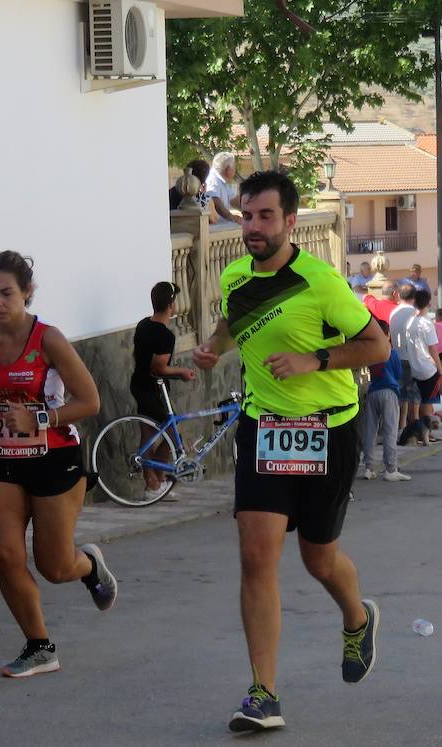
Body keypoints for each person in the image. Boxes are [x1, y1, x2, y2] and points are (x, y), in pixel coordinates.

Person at [192, 171, 388, 733]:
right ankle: (263, 693)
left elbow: (377, 343)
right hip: (264, 426)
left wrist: (315, 360)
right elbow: (236, 320)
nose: (253, 226)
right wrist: (212, 347)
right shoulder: (233, 275)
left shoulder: (320, 282)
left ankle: (356, 617)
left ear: (290, 221)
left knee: (317, 556)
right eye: (247, 215)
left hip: (329, 429)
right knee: (256, 554)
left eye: (264, 217)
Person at [0, 251, 116, 678]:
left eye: (6, 293)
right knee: (4, 554)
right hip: (1, 456)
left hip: (54, 456)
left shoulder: (49, 340)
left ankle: (89, 564)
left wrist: (40, 417)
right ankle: (39, 646)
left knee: (55, 566)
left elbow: (89, 401)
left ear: (27, 292)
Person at [130, 281, 195, 491]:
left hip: (139, 384)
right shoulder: (165, 335)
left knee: (151, 433)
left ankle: (157, 482)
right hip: (152, 388)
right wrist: (181, 372)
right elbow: (158, 368)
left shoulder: (143, 325)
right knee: (169, 433)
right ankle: (153, 484)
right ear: (172, 304)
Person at [361, 320, 410, 481]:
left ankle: (368, 467)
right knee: (390, 430)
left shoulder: (371, 353)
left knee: (370, 430)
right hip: (389, 392)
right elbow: (397, 373)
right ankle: (390, 468)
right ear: (388, 334)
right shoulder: (391, 352)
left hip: (373, 392)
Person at [400, 289, 442, 445]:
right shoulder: (426, 324)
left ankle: (418, 432)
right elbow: (433, 349)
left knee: (415, 403)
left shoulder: (409, 322)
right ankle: (425, 434)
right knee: (427, 403)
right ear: (429, 303)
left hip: (414, 368)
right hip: (427, 368)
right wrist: (440, 369)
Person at [390, 284, 420, 437]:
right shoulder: (415, 313)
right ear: (414, 297)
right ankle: (415, 424)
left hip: (397, 356)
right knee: (415, 393)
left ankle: (402, 424)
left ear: (399, 296)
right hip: (413, 357)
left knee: (401, 393)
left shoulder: (393, 312)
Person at [205, 152, 242, 225]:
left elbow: (235, 200)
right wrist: (230, 216)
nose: (235, 170)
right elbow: (214, 200)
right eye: (234, 167)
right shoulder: (213, 180)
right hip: (215, 229)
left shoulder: (222, 181)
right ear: (228, 169)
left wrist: (253, 209)